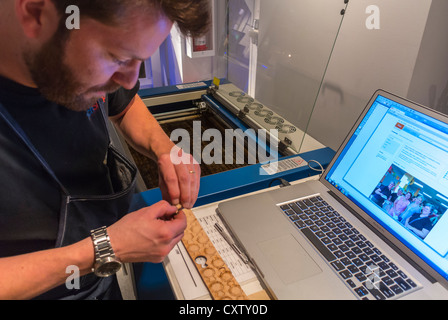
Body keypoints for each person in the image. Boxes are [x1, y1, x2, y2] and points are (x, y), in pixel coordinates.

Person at [0, 0, 209, 299]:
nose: (129, 80)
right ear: (36, 12)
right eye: (117, 57)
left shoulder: (86, 55)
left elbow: (124, 105)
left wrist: (165, 149)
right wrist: (106, 247)